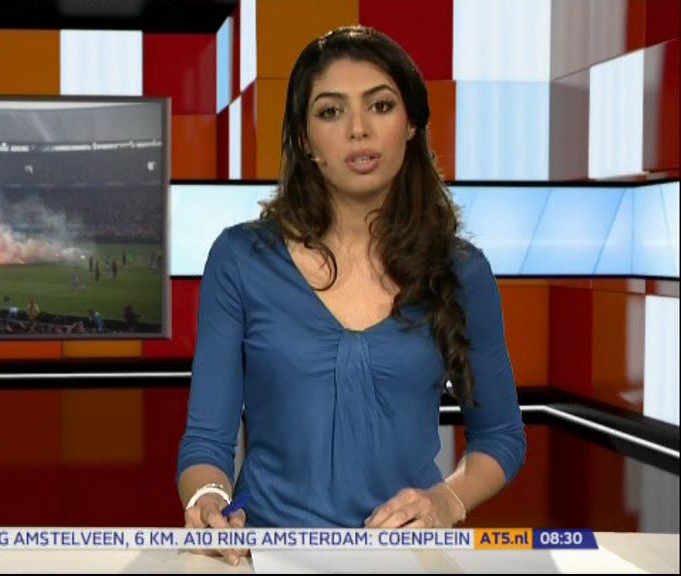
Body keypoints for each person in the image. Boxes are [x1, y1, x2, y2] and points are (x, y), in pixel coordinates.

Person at [176, 25, 525, 563]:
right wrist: (209, 499)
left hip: (404, 557)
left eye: (380, 106)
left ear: (411, 124)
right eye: (331, 111)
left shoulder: (462, 271)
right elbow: (206, 440)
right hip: (265, 556)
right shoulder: (239, 259)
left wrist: (444, 502)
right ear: (304, 138)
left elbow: (500, 435)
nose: (358, 130)